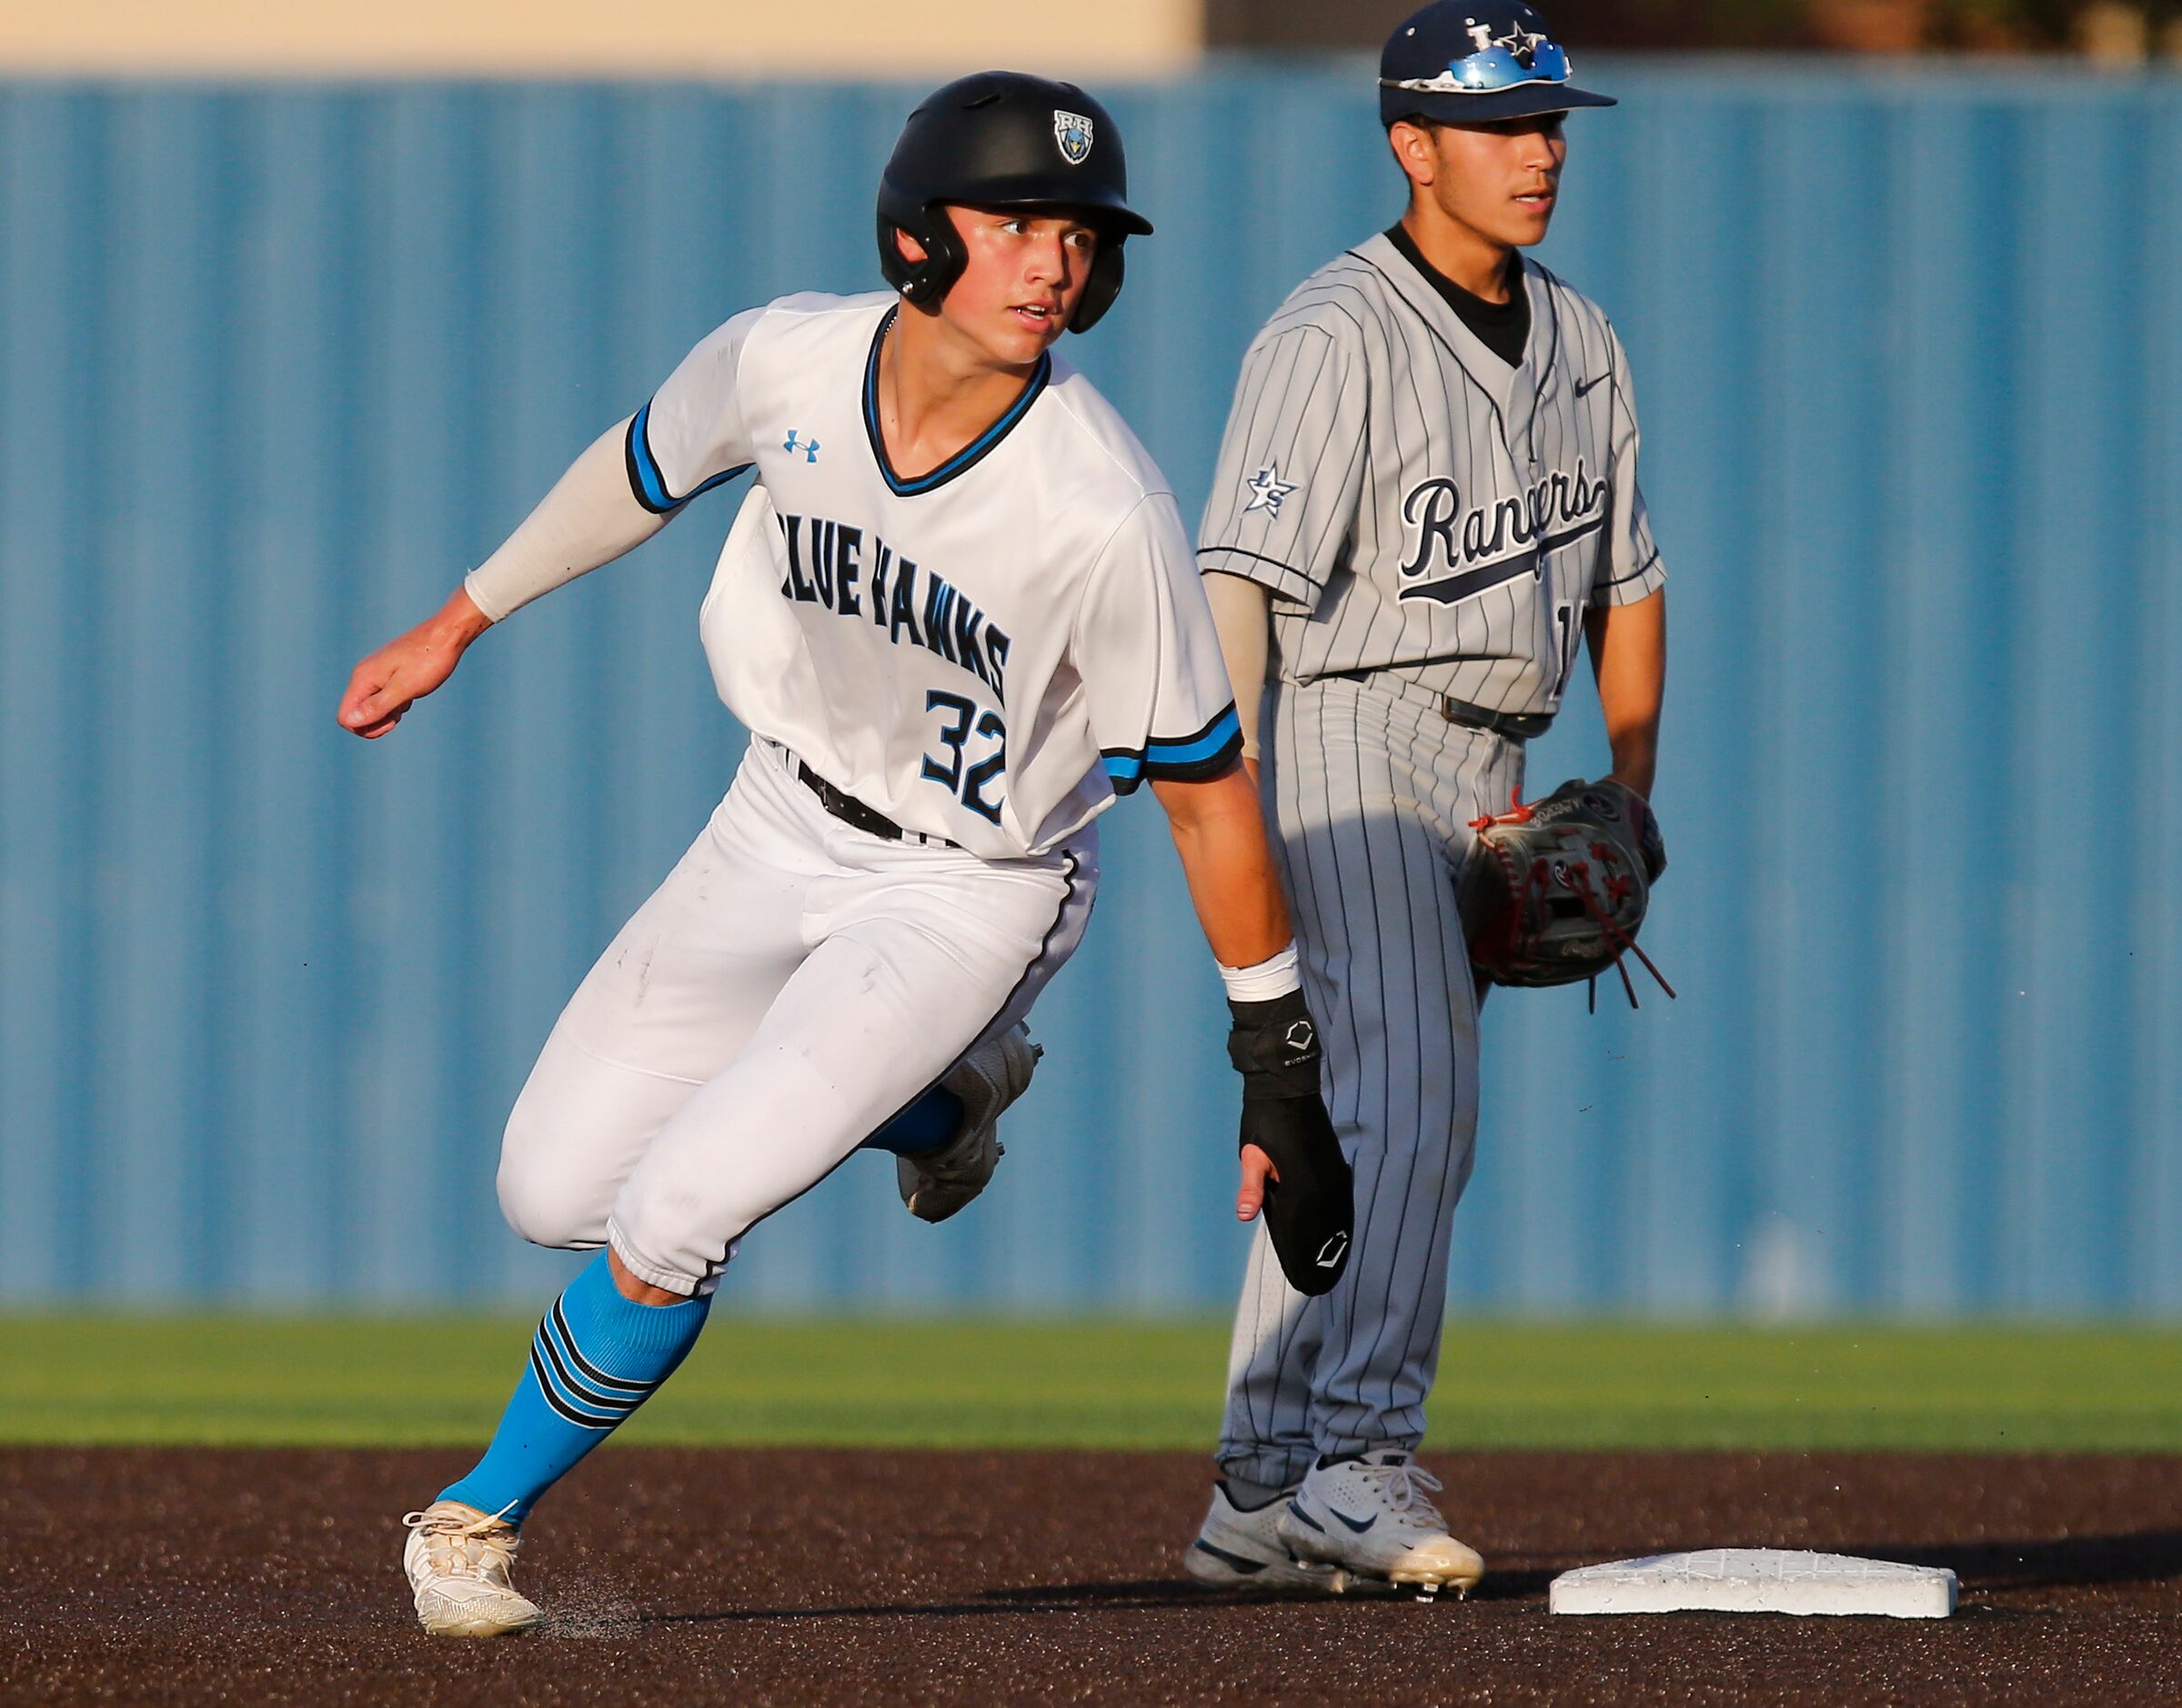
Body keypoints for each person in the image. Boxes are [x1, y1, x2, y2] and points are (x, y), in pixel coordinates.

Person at [337, 72, 1351, 1638]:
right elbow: (638, 466)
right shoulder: (786, 356)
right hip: (779, 815)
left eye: (1080, 232)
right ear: (913, 235)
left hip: (972, 883)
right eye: (1014, 220)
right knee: (550, 1187)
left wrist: (1275, 1052)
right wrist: (463, 614)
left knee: (675, 1212)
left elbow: (1211, 795)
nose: (1053, 262)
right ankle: (951, 1098)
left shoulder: (1102, 503)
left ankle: (474, 1517)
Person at [1184, 1, 1668, 1598]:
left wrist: (1633, 790)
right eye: (1504, 127)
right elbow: (1240, 586)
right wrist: (1231, 792)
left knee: (1347, 1111)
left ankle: (1261, 1483)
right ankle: (1355, 1450)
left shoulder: (1582, 339)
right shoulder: (1334, 334)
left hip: (1496, 759)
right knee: (1418, 1100)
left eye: (1551, 125)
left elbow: (1630, 578)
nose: (1540, 153)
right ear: (1412, 144)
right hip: (1347, 727)